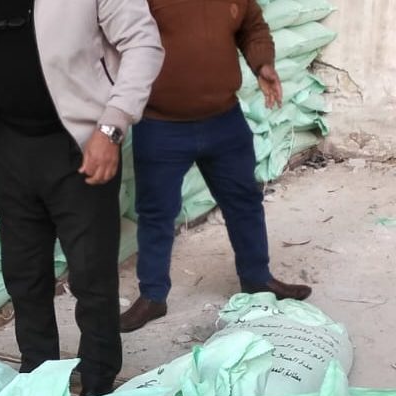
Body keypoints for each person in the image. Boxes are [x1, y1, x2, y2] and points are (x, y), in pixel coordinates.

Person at [0, 0, 164, 396]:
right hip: (12, 146)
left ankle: (97, 383)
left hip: (79, 145)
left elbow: (144, 45)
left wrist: (112, 126)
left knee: (91, 276)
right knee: (24, 276)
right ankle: (37, 378)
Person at [119, 0, 312, 333]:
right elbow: (118, 37)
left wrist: (262, 64)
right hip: (160, 123)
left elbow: (252, 26)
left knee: (244, 201)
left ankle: (257, 278)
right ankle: (152, 295)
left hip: (224, 119)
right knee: (156, 213)